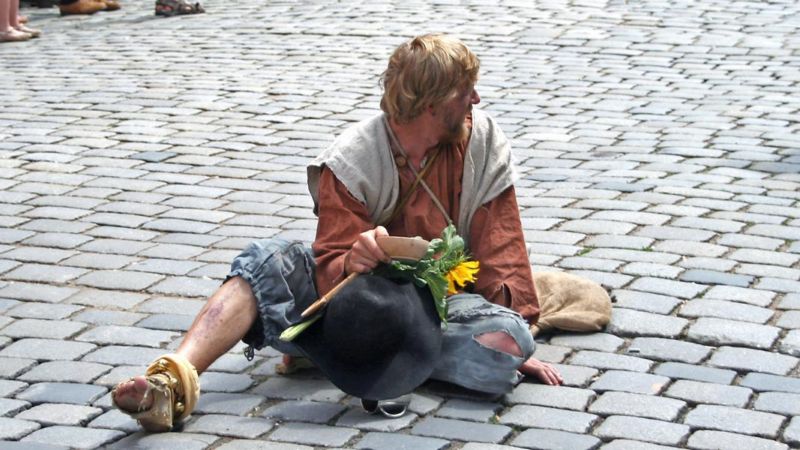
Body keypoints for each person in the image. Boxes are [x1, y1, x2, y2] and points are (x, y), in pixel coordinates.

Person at [112, 33, 563, 432]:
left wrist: (516, 334)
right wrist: (354, 258)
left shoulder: (481, 143)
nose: (476, 100)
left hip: (443, 306)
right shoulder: (352, 159)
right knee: (265, 262)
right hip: (355, 305)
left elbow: (501, 250)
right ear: (432, 105)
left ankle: (341, 355)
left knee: (507, 344)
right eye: (465, 93)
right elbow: (330, 266)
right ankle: (171, 381)